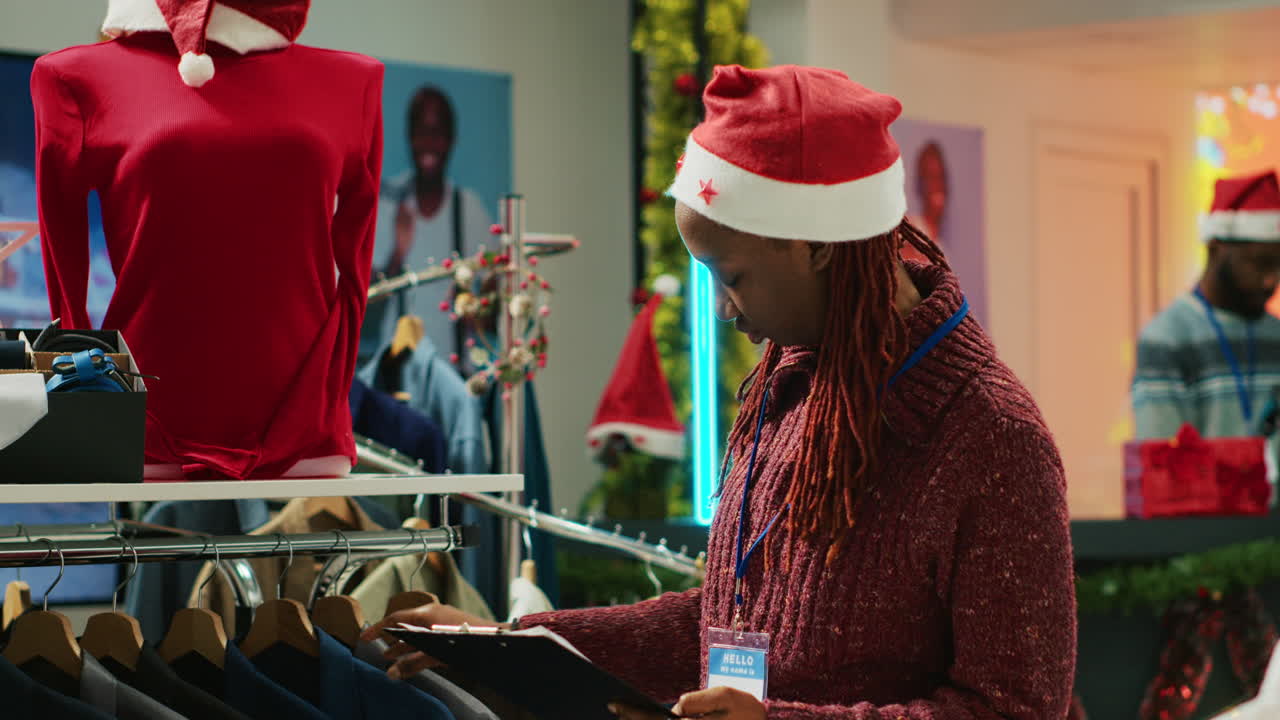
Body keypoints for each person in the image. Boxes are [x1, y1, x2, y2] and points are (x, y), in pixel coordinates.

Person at [364, 64, 1075, 720]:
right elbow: (725, 631)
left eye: (730, 275)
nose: (724, 310)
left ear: (818, 245)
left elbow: (1015, 710)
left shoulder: (992, 441)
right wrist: (508, 640)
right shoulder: (790, 387)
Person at [1133, 170, 1280, 440]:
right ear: (1215, 249)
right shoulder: (1167, 338)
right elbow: (1161, 461)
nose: (1270, 280)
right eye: (1259, 263)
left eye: (1278, 266)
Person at [362, 86, 494, 362]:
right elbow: (362, 309)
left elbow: (495, 301)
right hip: (398, 380)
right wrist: (396, 257)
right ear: (410, 138)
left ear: (451, 139)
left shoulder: (468, 208)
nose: (429, 143)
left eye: (438, 133)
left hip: (457, 378)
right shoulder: (388, 202)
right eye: (422, 132)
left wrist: (478, 307)